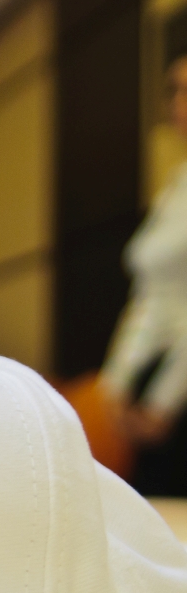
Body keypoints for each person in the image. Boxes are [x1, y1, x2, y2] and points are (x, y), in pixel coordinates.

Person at [104, 53, 187, 487]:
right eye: (174, 90)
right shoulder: (178, 183)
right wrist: (116, 382)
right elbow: (153, 296)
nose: (176, 103)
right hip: (155, 382)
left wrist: (164, 402)